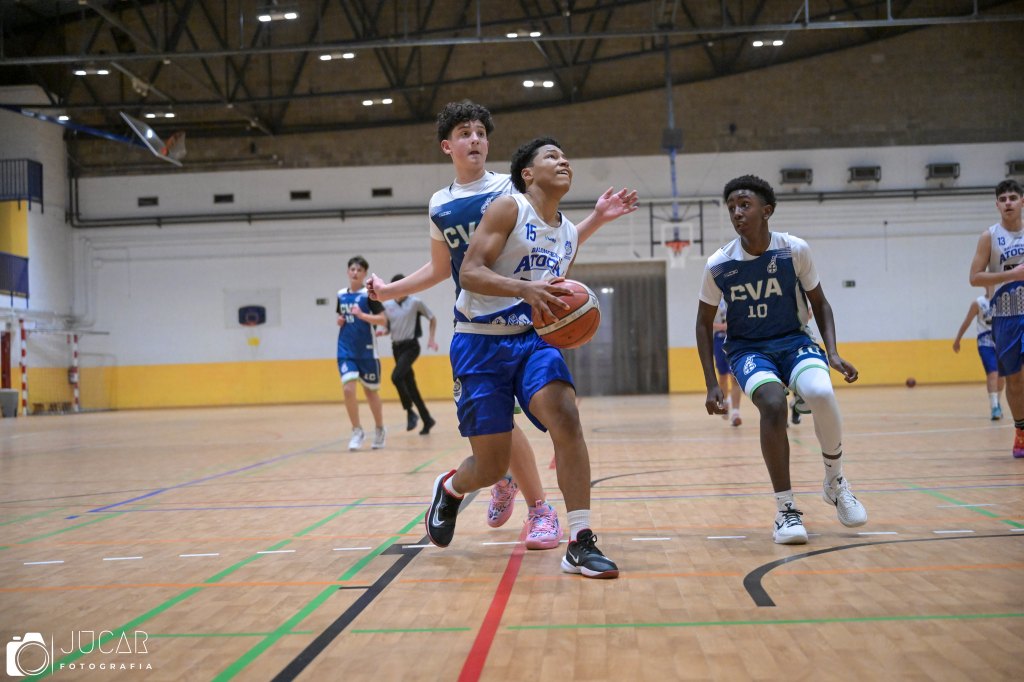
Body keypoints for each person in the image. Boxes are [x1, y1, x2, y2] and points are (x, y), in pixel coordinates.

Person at [367, 100, 637, 550]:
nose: (475, 139)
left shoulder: (509, 190)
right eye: (465, 133)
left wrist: (593, 221)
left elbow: (550, 243)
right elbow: (447, 269)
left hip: (527, 331)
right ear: (447, 146)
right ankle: (471, 484)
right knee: (493, 454)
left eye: (481, 133)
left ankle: (556, 519)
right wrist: (390, 291)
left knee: (563, 415)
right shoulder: (441, 204)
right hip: (478, 329)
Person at [423, 136, 620, 577]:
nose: (564, 161)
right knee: (491, 466)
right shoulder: (508, 208)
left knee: (565, 416)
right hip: (479, 341)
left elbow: (554, 297)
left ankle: (581, 541)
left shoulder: (567, 234)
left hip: (532, 341)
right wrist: (523, 289)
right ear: (527, 174)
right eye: (552, 156)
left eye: (566, 156)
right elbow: (469, 272)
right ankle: (451, 488)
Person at [696, 174, 868, 545]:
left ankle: (835, 481)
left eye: (745, 205)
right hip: (748, 350)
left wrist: (833, 352)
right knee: (773, 404)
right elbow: (703, 323)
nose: (737, 213)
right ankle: (785, 510)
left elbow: (820, 303)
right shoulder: (719, 264)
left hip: (794, 341)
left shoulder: (794, 250)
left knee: (820, 392)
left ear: (767, 210)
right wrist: (711, 383)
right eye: (731, 207)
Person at [968, 179, 1024, 458]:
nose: (1008, 203)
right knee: (1014, 381)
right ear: (997, 205)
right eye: (1003, 199)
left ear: (1022, 201)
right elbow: (974, 277)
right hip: (1005, 316)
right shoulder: (989, 236)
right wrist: (1012, 275)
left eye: (1013, 197)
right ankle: (1021, 431)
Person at [337, 256, 388, 451]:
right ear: (348, 272)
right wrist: (340, 320)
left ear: (365, 273)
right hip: (345, 349)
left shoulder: (369, 295)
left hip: (367, 351)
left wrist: (362, 315)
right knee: (348, 389)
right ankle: (357, 431)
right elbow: (342, 317)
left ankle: (380, 428)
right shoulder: (341, 295)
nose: (355, 272)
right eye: (352, 269)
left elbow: (383, 320)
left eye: (359, 270)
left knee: (370, 392)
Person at [382, 274, 440, 434]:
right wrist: (384, 331)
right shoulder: (387, 305)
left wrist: (431, 339)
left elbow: (432, 318)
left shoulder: (415, 302)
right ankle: (427, 419)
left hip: (411, 347)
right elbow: (389, 326)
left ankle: (409, 412)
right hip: (396, 348)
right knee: (411, 386)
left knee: (396, 377)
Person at [952, 286, 1004, 420]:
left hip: (1001, 342)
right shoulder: (978, 303)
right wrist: (958, 339)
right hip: (985, 343)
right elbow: (967, 321)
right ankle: (994, 407)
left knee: (1001, 377)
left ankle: (997, 402)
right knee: (992, 374)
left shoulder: (1003, 300)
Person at [713, 299, 742, 426]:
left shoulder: (737, 297)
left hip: (734, 339)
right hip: (719, 339)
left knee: (735, 377)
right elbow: (706, 322)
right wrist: (722, 327)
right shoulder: (713, 299)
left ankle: (736, 413)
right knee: (723, 376)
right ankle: (724, 402)